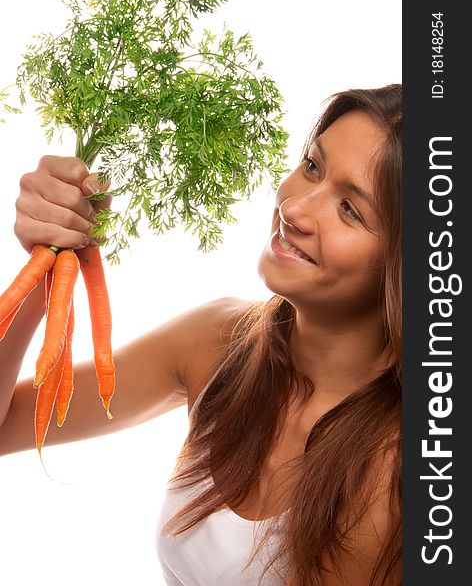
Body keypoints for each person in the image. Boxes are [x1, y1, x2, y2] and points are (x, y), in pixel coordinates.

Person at [0, 84, 402, 586]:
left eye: (350, 210)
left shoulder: (398, 470)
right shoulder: (218, 340)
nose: (295, 209)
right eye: (313, 167)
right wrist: (46, 266)